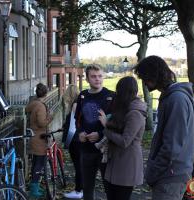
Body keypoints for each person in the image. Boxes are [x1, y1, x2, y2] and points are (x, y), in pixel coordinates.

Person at [134, 55, 194, 200]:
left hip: (171, 176)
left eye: (144, 78)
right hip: (170, 174)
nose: (144, 83)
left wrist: (153, 172)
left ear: (154, 75)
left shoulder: (176, 99)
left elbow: (171, 146)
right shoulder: (170, 97)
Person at [98, 76, 147, 200]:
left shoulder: (135, 113)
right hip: (115, 161)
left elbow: (125, 141)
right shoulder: (125, 108)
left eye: (118, 91)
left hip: (127, 163)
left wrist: (105, 127)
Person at [75, 65, 114, 200]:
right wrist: (80, 133)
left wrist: (100, 134)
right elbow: (77, 119)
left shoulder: (111, 96)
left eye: (99, 76)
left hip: (105, 150)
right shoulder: (82, 96)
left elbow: (117, 123)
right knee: (87, 188)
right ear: (87, 79)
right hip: (86, 150)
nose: (97, 79)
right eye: (93, 76)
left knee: (109, 187)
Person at [25, 83, 53, 198]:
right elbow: (42, 123)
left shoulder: (33, 104)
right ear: (46, 93)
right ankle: (34, 191)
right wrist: (50, 117)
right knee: (39, 164)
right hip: (39, 139)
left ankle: (34, 187)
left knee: (36, 163)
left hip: (34, 137)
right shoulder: (40, 106)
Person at [61, 84, 83, 199]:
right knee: (80, 164)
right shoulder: (78, 103)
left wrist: (66, 142)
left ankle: (79, 190)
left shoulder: (75, 105)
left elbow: (73, 127)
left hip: (75, 140)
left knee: (78, 165)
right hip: (78, 139)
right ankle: (81, 189)